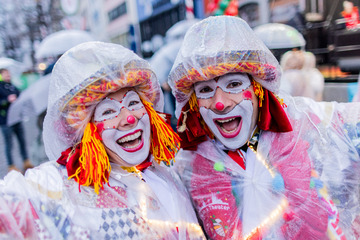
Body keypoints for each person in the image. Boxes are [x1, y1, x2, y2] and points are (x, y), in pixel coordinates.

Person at [169, 16, 360, 239]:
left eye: (234, 85)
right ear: (193, 102)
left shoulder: (303, 125)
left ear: (258, 89)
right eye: (205, 90)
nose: (220, 103)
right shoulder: (193, 164)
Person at [0, 42, 205, 239]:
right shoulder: (66, 187)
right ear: (86, 129)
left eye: (133, 103)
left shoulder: (165, 169)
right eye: (108, 111)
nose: (129, 118)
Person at [0, 68, 33, 172]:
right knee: (9, 144)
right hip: (6, 121)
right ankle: (11, 166)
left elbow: (20, 95)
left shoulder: (12, 86)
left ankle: (26, 161)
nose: (8, 76)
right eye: (5, 74)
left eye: (8, 74)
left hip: (17, 119)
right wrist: (7, 100)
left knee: (22, 141)